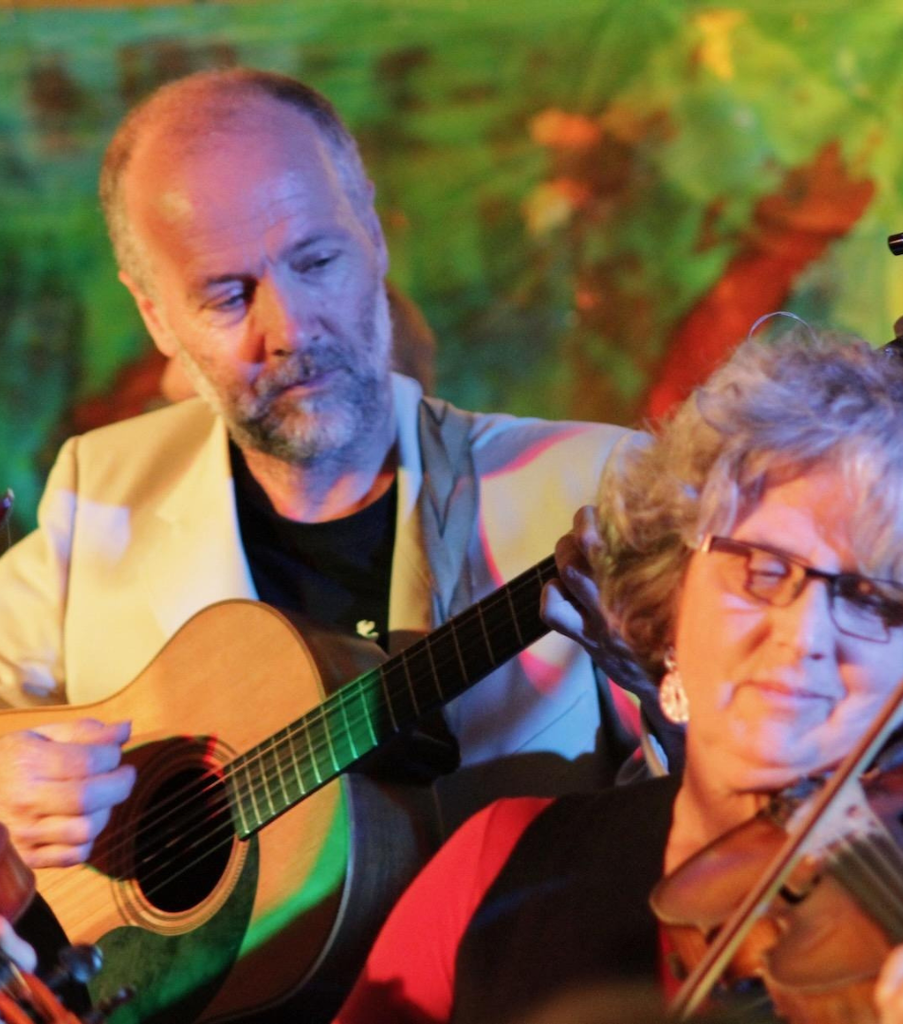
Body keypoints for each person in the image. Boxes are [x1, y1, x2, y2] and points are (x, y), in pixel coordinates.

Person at [0, 68, 650, 1016]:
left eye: (316, 260)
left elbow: (718, 803)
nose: (290, 328)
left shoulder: (592, 488)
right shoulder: (100, 487)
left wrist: (667, 696)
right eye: (228, 295)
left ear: (373, 235)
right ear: (156, 316)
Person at [336, 331, 903, 1024]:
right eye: (761, 569)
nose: (804, 636)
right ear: (673, 598)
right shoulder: (497, 864)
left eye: (871, 597)